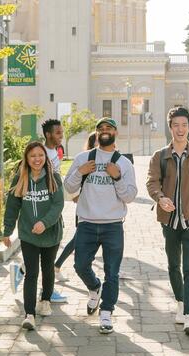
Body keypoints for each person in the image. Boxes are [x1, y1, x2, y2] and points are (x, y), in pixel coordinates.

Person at [146, 106, 189, 335]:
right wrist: (161, 198)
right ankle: (180, 303)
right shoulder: (160, 156)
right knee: (173, 266)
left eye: (184, 125)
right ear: (170, 127)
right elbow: (152, 182)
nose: (180, 129)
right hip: (169, 221)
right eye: (176, 125)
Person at [64, 118, 137, 334]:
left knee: (112, 272)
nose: (104, 131)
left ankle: (106, 313)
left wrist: (117, 178)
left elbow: (130, 196)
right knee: (80, 265)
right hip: (86, 223)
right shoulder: (82, 158)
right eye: (101, 129)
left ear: (116, 133)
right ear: (96, 134)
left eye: (109, 128)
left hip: (113, 225)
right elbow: (68, 188)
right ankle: (94, 287)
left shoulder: (124, 163)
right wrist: (80, 172)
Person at [3, 141, 64, 330]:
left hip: (51, 233)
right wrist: (7, 230)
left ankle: (45, 300)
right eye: (33, 156)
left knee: (47, 269)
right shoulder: (20, 178)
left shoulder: (53, 177)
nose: (37, 159)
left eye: (40, 155)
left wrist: (44, 223)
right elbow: (13, 206)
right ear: (27, 159)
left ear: (45, 157)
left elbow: (58, 205)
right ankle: (29, 314)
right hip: (28, 234)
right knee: (31, 272)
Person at [9, 119, 67, 303]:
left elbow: (56, 190)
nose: (61, 136)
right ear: (48, 134)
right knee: (39, 264)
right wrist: (7, 229)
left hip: (50, 215)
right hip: (36, 217)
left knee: (45, 263)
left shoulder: (54, 154)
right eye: (58, 133)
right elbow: (14, 201)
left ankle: (45, 294)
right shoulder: (42, 153)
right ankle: (26, 277)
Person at [54, 132, 98, 282]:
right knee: (76, 240)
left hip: (100, 212)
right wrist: (76, 196)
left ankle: (113, 270)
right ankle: (56, 266)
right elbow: (72, 183)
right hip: (85, 211)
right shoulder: (85, 160)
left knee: (78, 240)